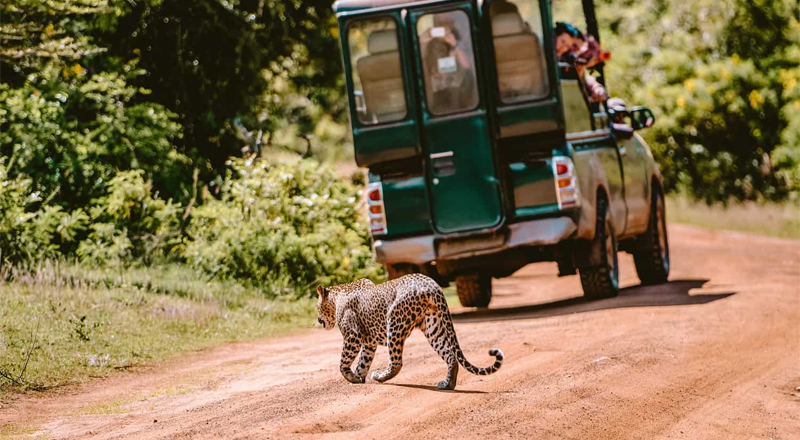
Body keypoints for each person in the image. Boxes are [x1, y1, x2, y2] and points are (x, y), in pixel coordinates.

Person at [554, 22, 608, 103]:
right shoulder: (559, 61)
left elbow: (586, 80)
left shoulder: (568, 61)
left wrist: (597, 87)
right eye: (574, 46)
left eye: (568, 46)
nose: (563, 48)